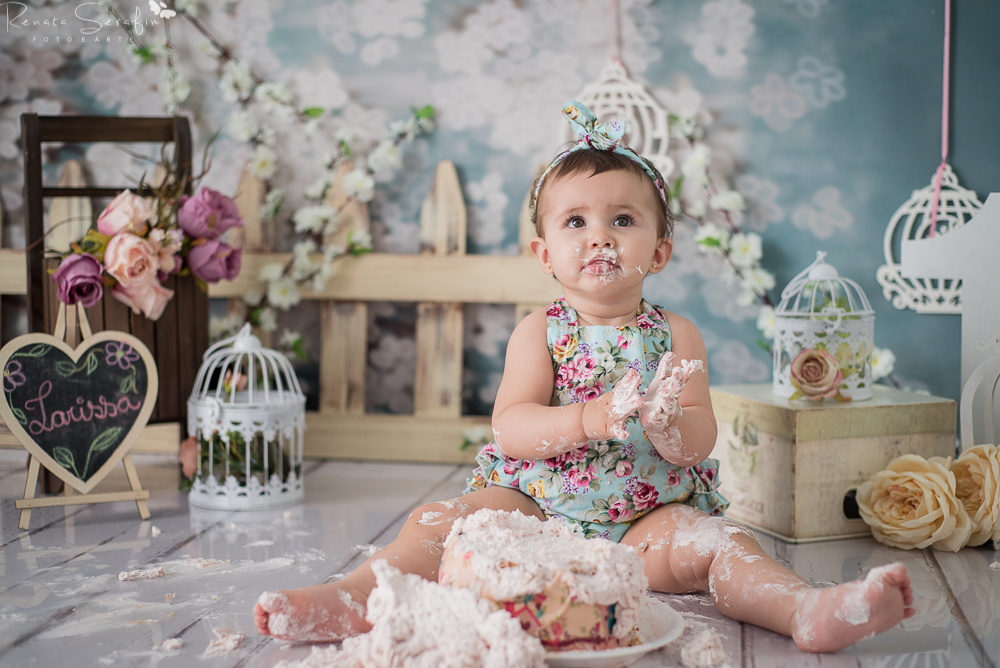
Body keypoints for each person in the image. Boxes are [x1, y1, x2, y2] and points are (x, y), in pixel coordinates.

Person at [254, 101, 914, 653]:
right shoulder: (538, 332)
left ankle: (805, 609)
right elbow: (511, 429)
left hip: (643, 523)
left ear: (659, 249)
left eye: (621, 220)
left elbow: (700, 441)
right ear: (545, 253)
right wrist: (587, 419)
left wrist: (666, 426)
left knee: (722, 542)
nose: (599, 237)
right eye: (577, 222)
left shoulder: (675, 335)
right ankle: (355, 597)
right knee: (440, 522)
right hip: (533, 510)